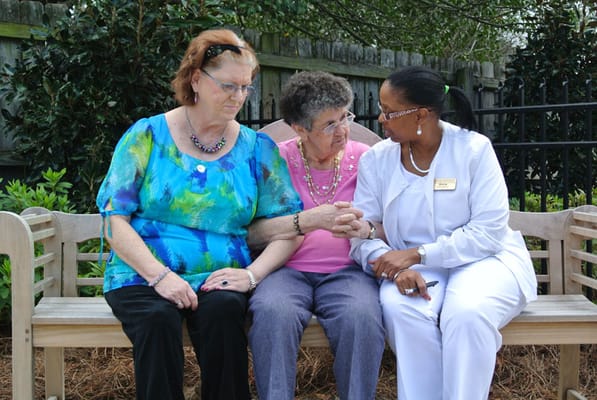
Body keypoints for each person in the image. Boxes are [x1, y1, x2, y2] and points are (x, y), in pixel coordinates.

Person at [95, 29, 303, 400]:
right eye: (228, 85)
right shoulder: (147, 135)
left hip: (219, 275)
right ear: (196, 79)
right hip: (142, 273)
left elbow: (289, 228)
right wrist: (160, 277)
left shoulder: (258, 149)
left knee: (225, 312)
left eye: (245, 87)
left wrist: (252, 275)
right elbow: (114, 220)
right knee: (157, 320)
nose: (238, 96)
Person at [347, 66, 538, 400]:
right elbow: (362, 232)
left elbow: (488, 232)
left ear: (421, 114)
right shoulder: (377, 160)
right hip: (413, 268)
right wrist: (392, 265)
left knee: (466, 313)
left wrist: (419, 254)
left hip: (485, 260)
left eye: (390, 112)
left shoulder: (473, 150)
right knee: (401, 308)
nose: (381, 119)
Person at [247, 71, 386, 400]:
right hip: (285, 272)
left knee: (362, 317)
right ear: (299, 128)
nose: (342, 131)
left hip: (348, 272)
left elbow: (391, 226)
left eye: (344, 117)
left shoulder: (367, 159)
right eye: (329, 125)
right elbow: (250, 233)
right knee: (271, 313)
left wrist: (365, 229)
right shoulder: (273, 160)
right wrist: (307, 221)